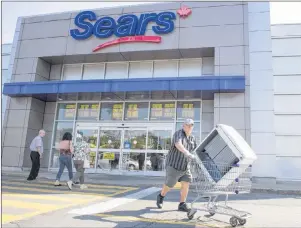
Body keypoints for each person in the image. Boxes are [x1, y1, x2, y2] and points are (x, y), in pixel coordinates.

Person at [156, 119, 197, 212]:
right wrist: (187, 153)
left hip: (185, 166)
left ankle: (182, 204)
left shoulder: (193, 138)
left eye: (191, 125)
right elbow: (178, 144)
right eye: (188, 125)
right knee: (170, 184)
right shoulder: (178, 134)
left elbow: (196, 150)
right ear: (184, 126)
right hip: (173, 165)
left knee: (186, 183)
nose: (189, 127)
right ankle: (161, 196)